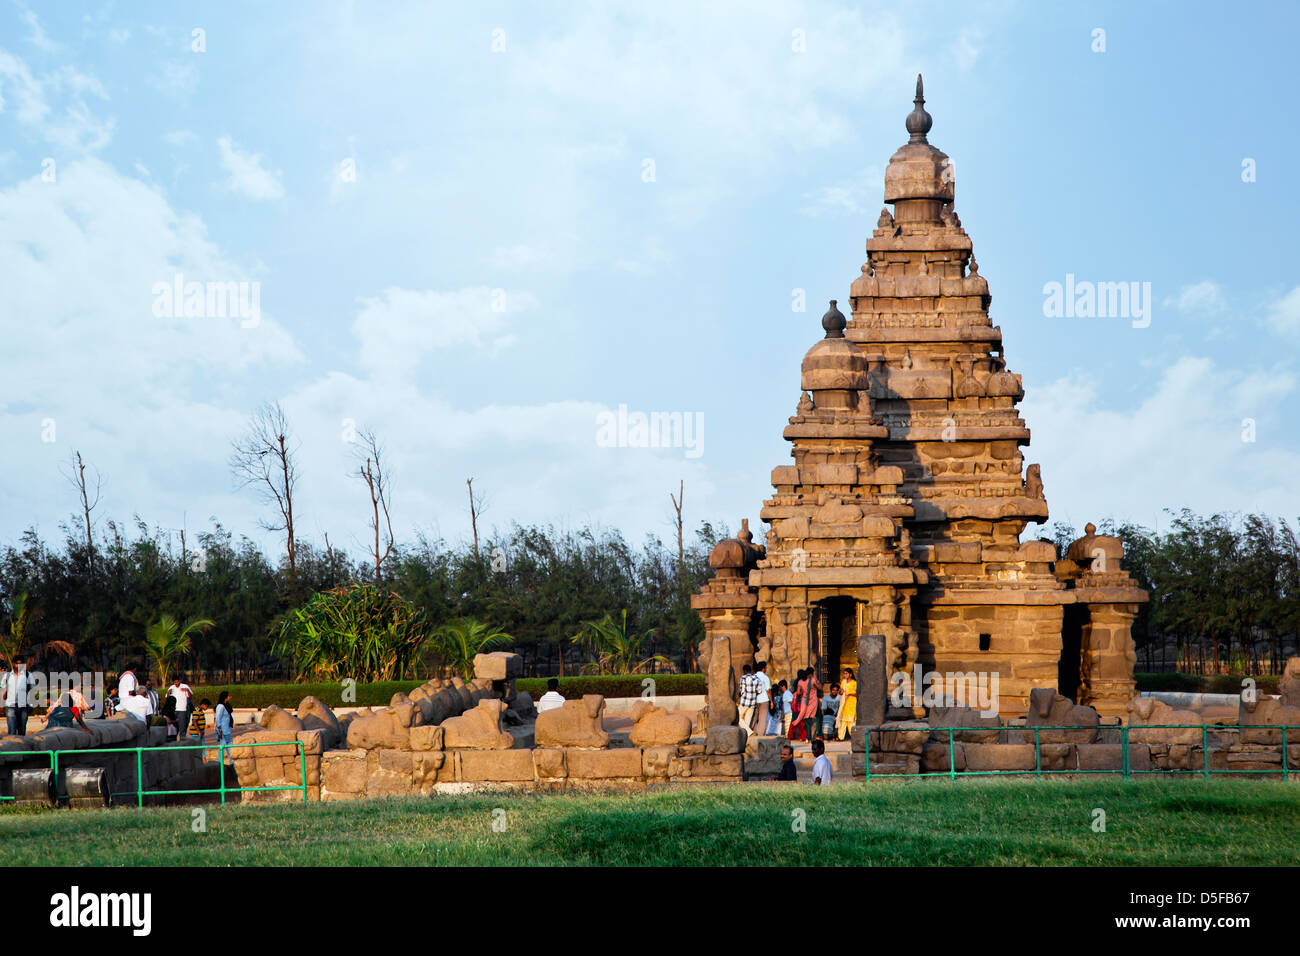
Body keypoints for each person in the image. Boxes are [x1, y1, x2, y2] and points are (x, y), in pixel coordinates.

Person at [2, 655, 32, 735]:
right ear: (13, 664)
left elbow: (32, 690)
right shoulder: (7, 676)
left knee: (22, 731)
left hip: (23, 706)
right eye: (17, 664)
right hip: (10, 706)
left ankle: (22, 747)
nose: (18, 666)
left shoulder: (28, 675)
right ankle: (11, 747)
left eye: (21, 664)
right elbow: (3, 691)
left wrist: (31, 704)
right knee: (12, 730)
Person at [737, 663, 759, 738]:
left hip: (744, 702)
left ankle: (749, 732)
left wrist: (738, 695)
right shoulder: (756, 678)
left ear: (744, 671)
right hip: (753, 703)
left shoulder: (743, 678)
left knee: (738, 717)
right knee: (747, 721)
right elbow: (759, 691)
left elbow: (742, 691)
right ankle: (746, 736)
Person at [167, 676, 193, 741]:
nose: (176, 683)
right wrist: (168, 693)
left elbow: (190, 696)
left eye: (177, 681)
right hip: (174, 710)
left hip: (182, 710)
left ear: (180, 680)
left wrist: (186, 690)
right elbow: (167, 698)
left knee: (182, 728)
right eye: (175, 682)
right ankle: (174, 744)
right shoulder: (171, 688)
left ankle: (182, 743)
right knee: (174, 729)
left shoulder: (185, 686)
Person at [836, 667, 857, 741]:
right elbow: (841, 691)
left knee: (851, 721)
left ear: (850, 674)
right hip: (844, 704)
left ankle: (854, 737)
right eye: (844, 673)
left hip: (851, 704)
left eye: (846, 673)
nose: (845, 675)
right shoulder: (843, 682)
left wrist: (850, 694)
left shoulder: (854, 683)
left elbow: (857, 693)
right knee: (842, 720)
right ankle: (840, 737)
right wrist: (840, 692)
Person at [753, 660, 772, 737]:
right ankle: (760, 735)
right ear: (763, 668)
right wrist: (771, 701)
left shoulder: (754, 676)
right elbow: (768, 691)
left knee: (754, 718)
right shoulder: (765, 677)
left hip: (755, 699)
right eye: (766, 668)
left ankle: (753, 733)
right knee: (762, 718)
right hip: (764, 700)